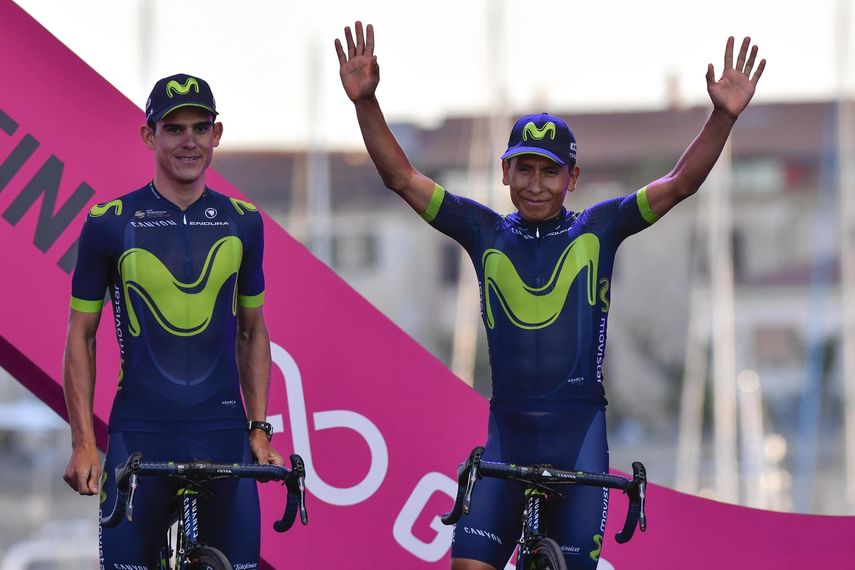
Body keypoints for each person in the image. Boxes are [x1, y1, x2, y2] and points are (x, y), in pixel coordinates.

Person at [336, 22, 764, 570]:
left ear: (572, 178)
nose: (535, 184)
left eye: (549, 172)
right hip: (508, 438)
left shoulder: (599, 229)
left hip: (578, 439)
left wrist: (722, 117)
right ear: (505, 172)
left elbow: (680, 182)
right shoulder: (484, 231)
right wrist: (366, 103)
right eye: (524, 170)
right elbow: (401, 178)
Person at [62, 73, 283, 567]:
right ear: (149, 136)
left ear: (216, 135)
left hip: (222, 433)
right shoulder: (109, 222)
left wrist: (259, 429)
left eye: (200, 128)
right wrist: (83, 443)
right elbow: (81, 335)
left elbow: (252, 330)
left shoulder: (244, 221)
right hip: (140, 436)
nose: (189, 141)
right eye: (174, 128)